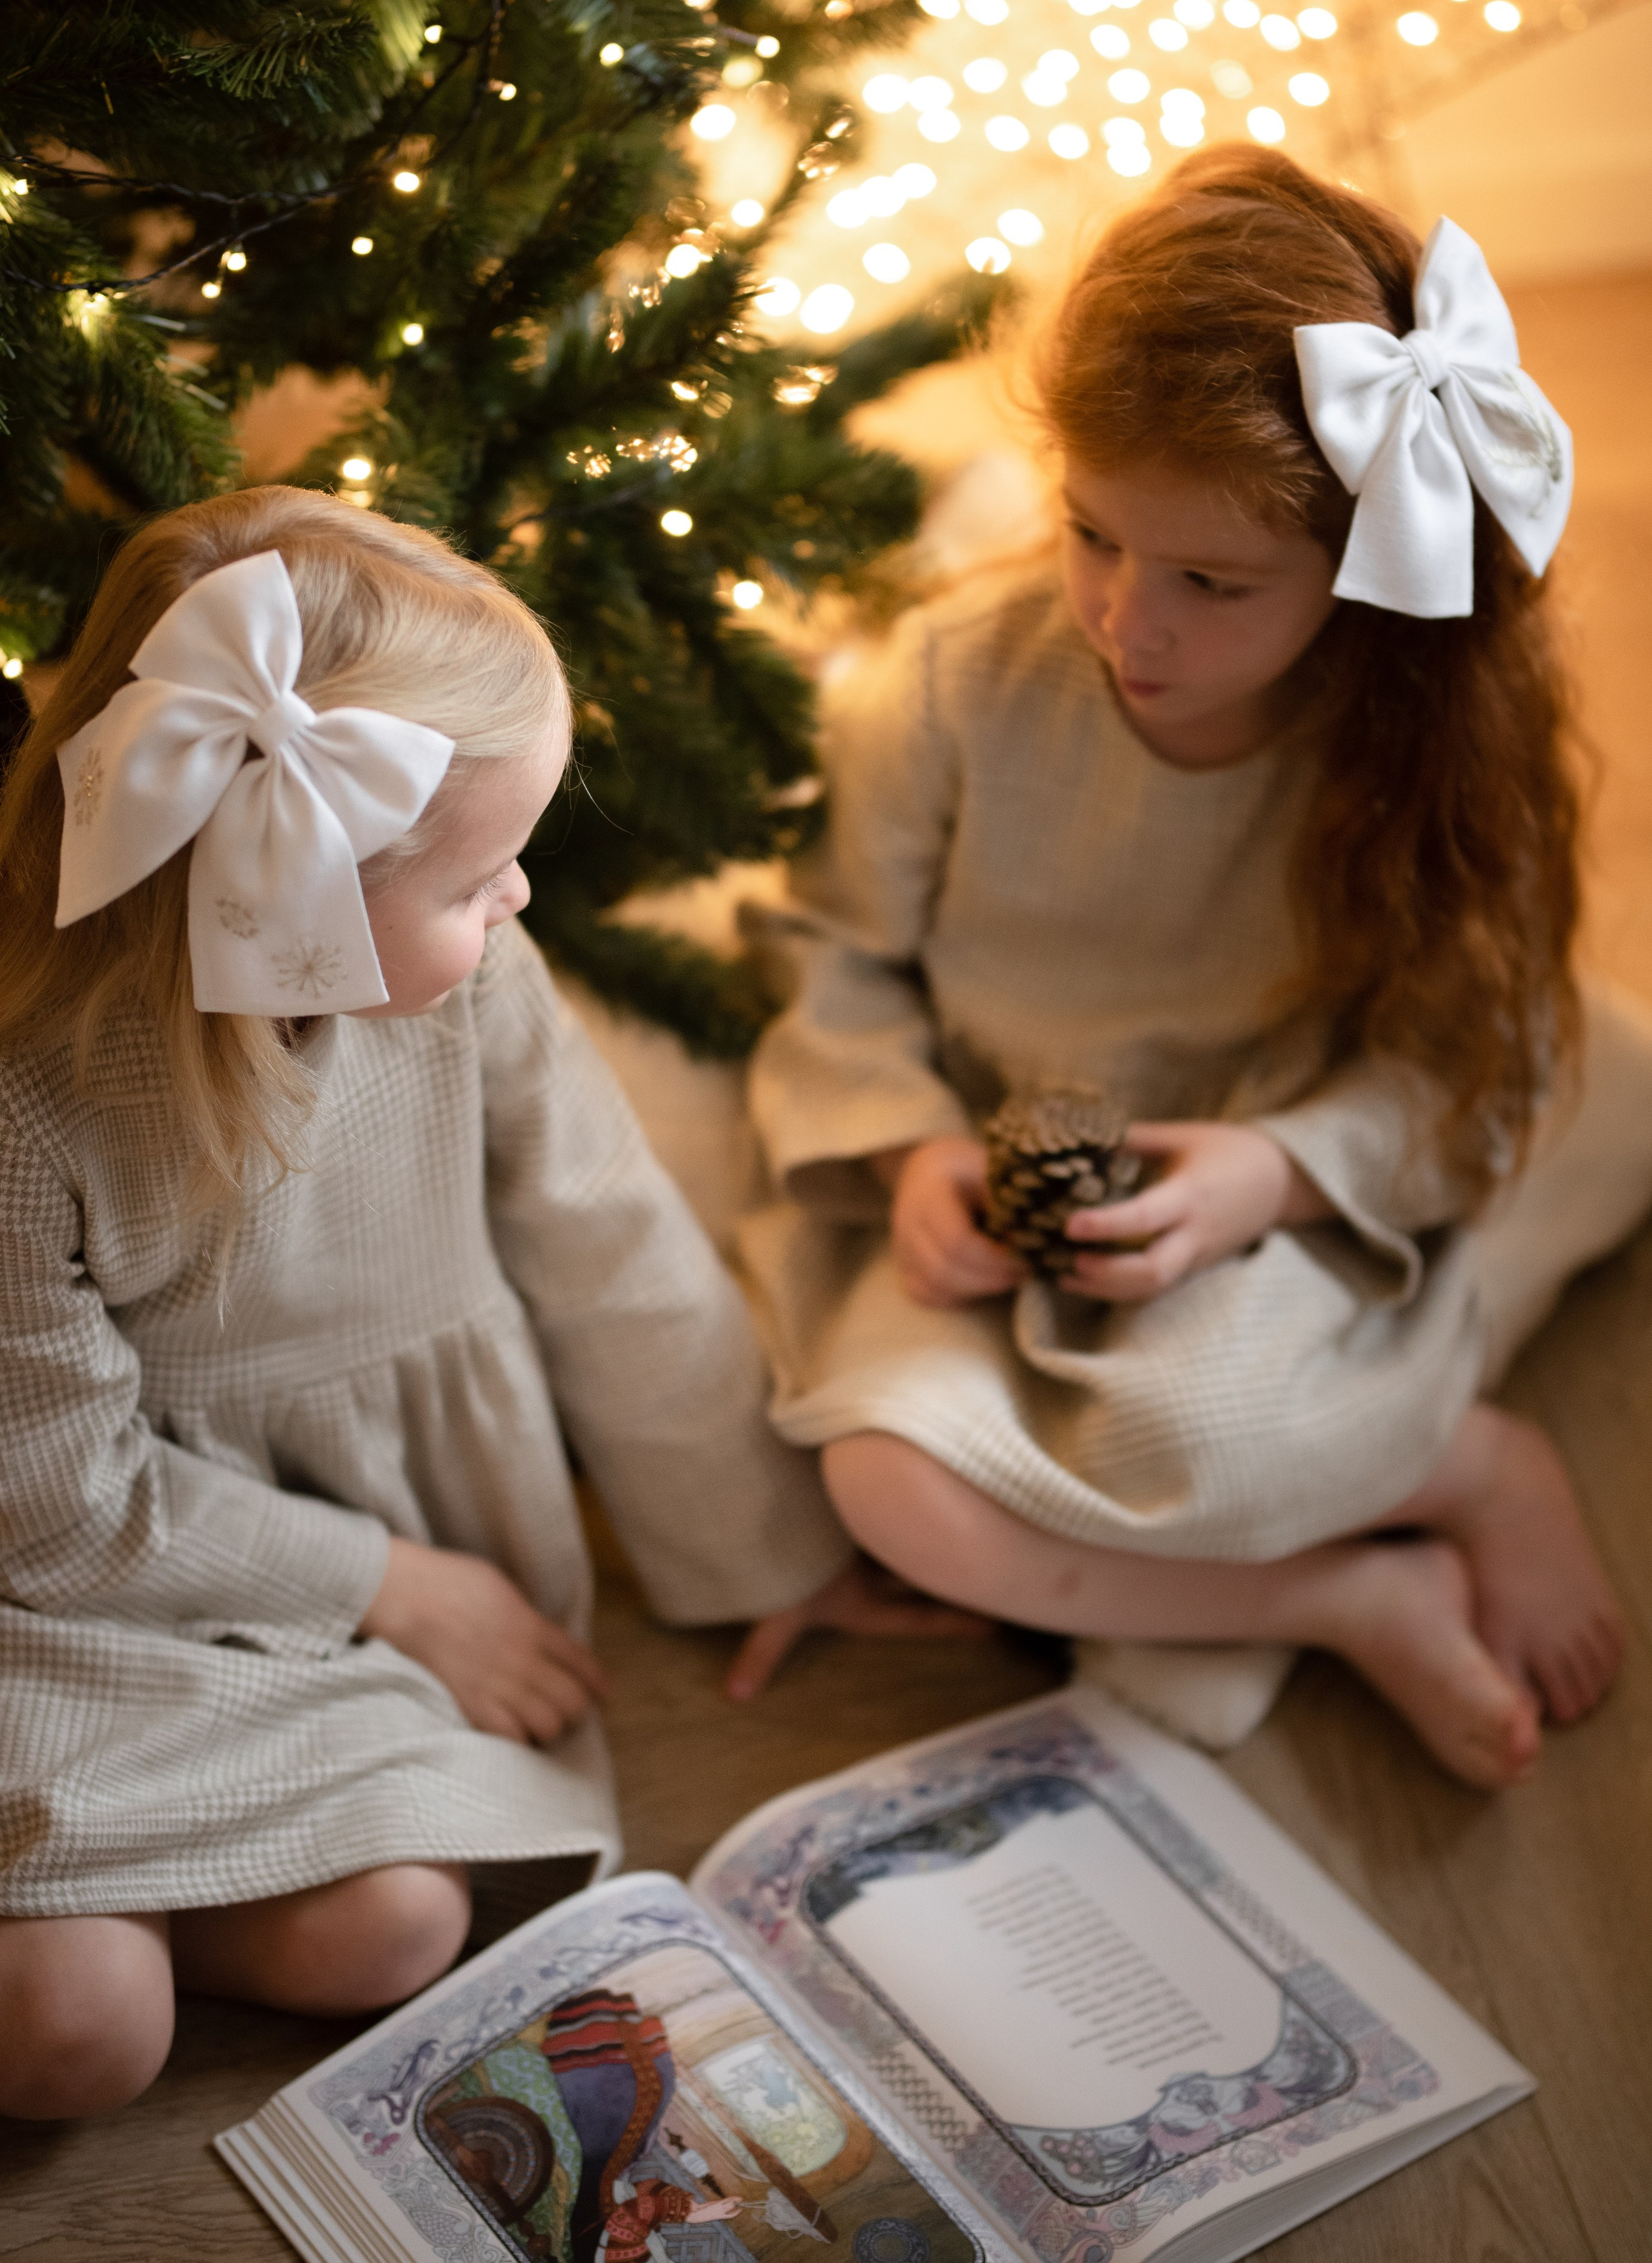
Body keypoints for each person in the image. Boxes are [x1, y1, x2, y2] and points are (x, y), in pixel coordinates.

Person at [0, 487, 967, 2124]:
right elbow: (55, 1504)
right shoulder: (35, 1111)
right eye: (477, 879)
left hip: (337, 1600)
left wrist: (771, 1552)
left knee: (398, 1926)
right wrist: (395, 1585)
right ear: (286, 898)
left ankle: (123, 1869)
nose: (518, 903)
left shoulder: (476, 988)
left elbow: (610, 1242)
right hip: (91, 1590)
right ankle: (84, 1897)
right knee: (77, 2032)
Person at [740, 148, 1652, 1798]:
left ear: (1364, 568)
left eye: (1207, 584)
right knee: (886, 1484)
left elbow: (1465, 1052)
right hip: (991, 1158)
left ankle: (1467, 1458)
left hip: (1255, 1163)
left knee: (1200, 1426)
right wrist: (907, 1154)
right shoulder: (953, 678)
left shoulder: (1421, 728)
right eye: (1087, 534)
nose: (1120, 620)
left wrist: (1268, 1173)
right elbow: (834, 957)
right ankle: (1342, 1587)